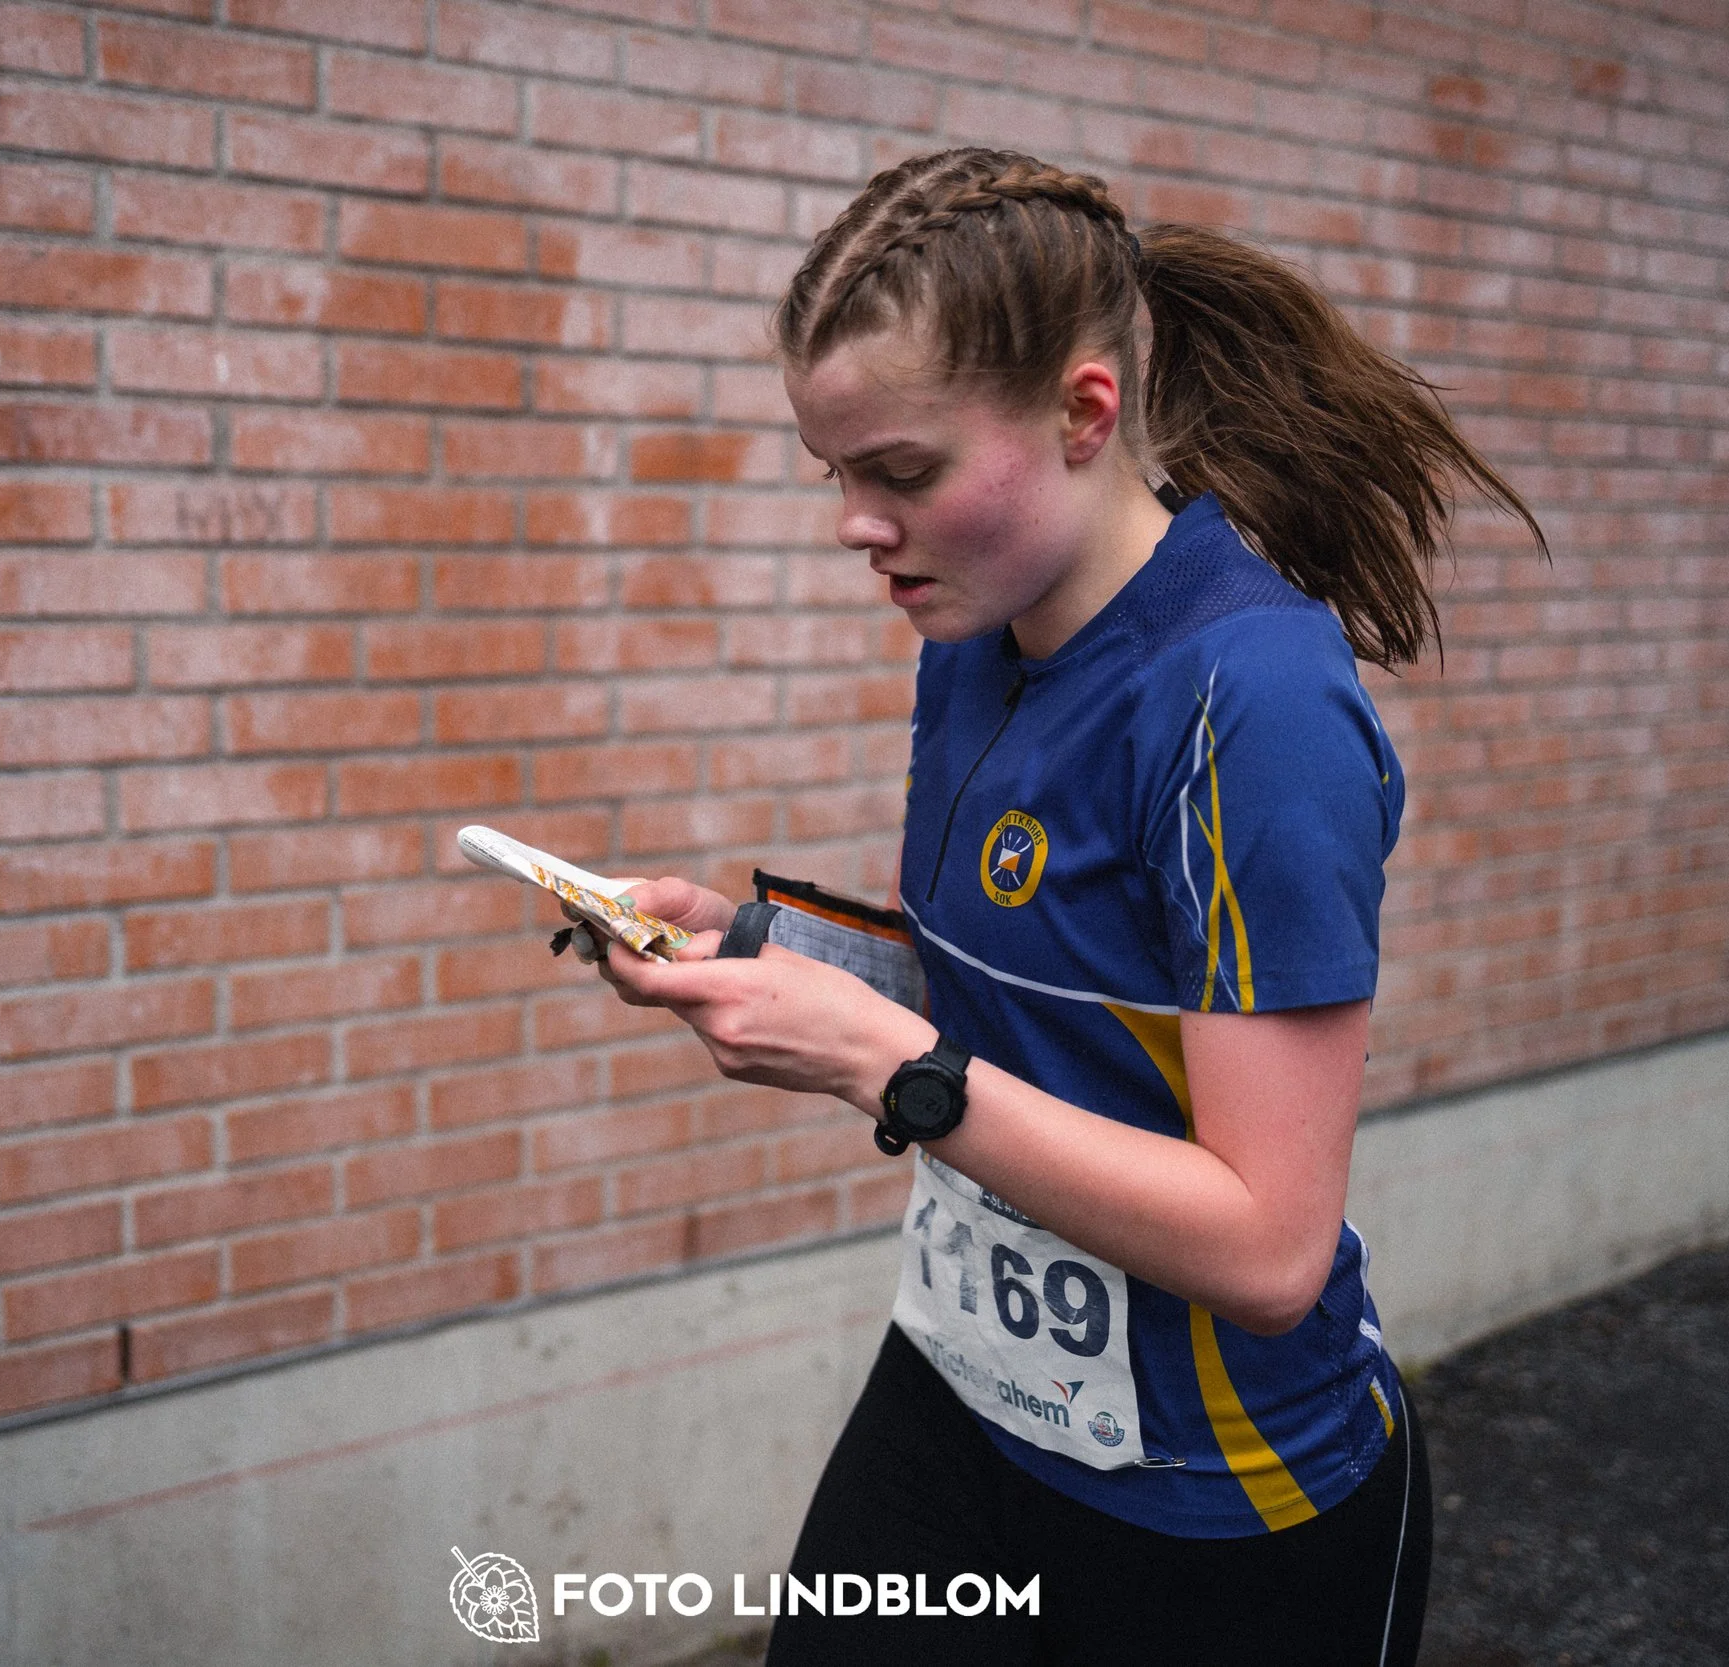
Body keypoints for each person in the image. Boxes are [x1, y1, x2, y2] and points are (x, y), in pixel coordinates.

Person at [584, 147, 1547, 1665]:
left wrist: (877, 1064)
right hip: (966, 1394)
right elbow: (1017, 1002)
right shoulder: (970, 641)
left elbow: (1267, 1245)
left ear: (1085, 413)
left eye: (900, 471)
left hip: (1221, 1502)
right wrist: (770, 958)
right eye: (834, 472)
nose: (855, 521)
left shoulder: (1253, 697)